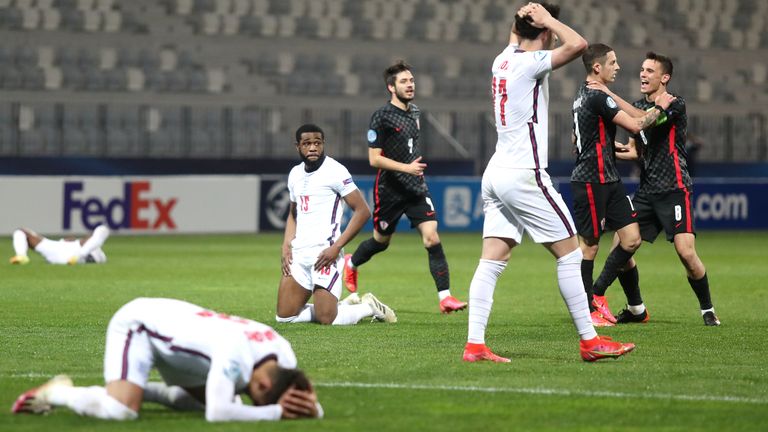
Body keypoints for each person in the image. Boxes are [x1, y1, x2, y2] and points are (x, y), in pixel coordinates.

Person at [463, 2, 636, 363]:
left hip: (496, 172)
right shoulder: (530, 63)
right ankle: (590, 341)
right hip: (524, 173)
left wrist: (529, 18)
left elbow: (522, 35)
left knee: (493, 259)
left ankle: (475, 345)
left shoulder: (501, 59)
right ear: (542, 32)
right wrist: (550, 19)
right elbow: (579, 45)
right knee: (571, 254)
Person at [12, 297, 323, 421]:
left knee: (229, 402)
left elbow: (302, 393)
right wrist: (274, 413)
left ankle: (143, 389)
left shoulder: (284, 353)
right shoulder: (235, 355)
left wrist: (314, 409)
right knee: (122, 411)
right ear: (264, 382)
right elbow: (217, 414)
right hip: (139, 325)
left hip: (180, 334)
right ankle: (59, 392)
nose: (258, 402)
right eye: (261, 397)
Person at [600, 52, 720, 326]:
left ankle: (707, 309)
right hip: (647, 192)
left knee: (686, 253)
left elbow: (646, 119)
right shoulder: (638, 106)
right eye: (642, 69)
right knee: (620, 248)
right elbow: (635, 152)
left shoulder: (675, 104)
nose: (643, 74)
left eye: (650, 71)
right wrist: (605, 150)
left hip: (675, 189)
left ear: (664, 78)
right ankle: (636, 308)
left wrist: (608, 93)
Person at [342, 60, 467, 314]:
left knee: (431, 237)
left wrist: (413, 172)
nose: (410, 85)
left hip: (416, 187)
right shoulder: (381, 116)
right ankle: (352, 263)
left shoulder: (416, 113)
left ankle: (445, 298)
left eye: (411, 80)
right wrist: (406, 167)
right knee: (380, 241)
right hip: (389, 190)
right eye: (404, 81)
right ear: (391, 87)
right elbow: (374, 159)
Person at [570, 44, 675, 327]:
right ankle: (587, 311)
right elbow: (637, 126)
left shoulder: (583, 96)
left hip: (610, 178)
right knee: (589, 246)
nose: (617, 67)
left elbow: (575, 140)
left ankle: (597, 295)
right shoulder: (596, 97)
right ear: (597, 68)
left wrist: (604, 147)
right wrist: (660, 108)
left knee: (631, 239)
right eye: (613, 63)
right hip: (591, 179)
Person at [276, 123, 397, 325]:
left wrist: (336, 247)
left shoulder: (335, 171)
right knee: (284, 317)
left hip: (325, 254)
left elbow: (363, 211)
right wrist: (286, 244)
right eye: (307, 143)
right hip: (299, 255)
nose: (313, 147)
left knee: (326, 319)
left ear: (323, 144)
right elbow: (293, 213)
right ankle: (343, 306)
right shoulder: (295, 174)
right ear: (297, 146)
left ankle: (368, 307)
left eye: (317, 143)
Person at [9, 225, 110, 265]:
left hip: (77, 253)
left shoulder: (93, 247)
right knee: (21, 231)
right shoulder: (57, 244)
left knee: (102, 230)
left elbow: (100, 257)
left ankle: (21, 255)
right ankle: (21, 255)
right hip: (58, 249)